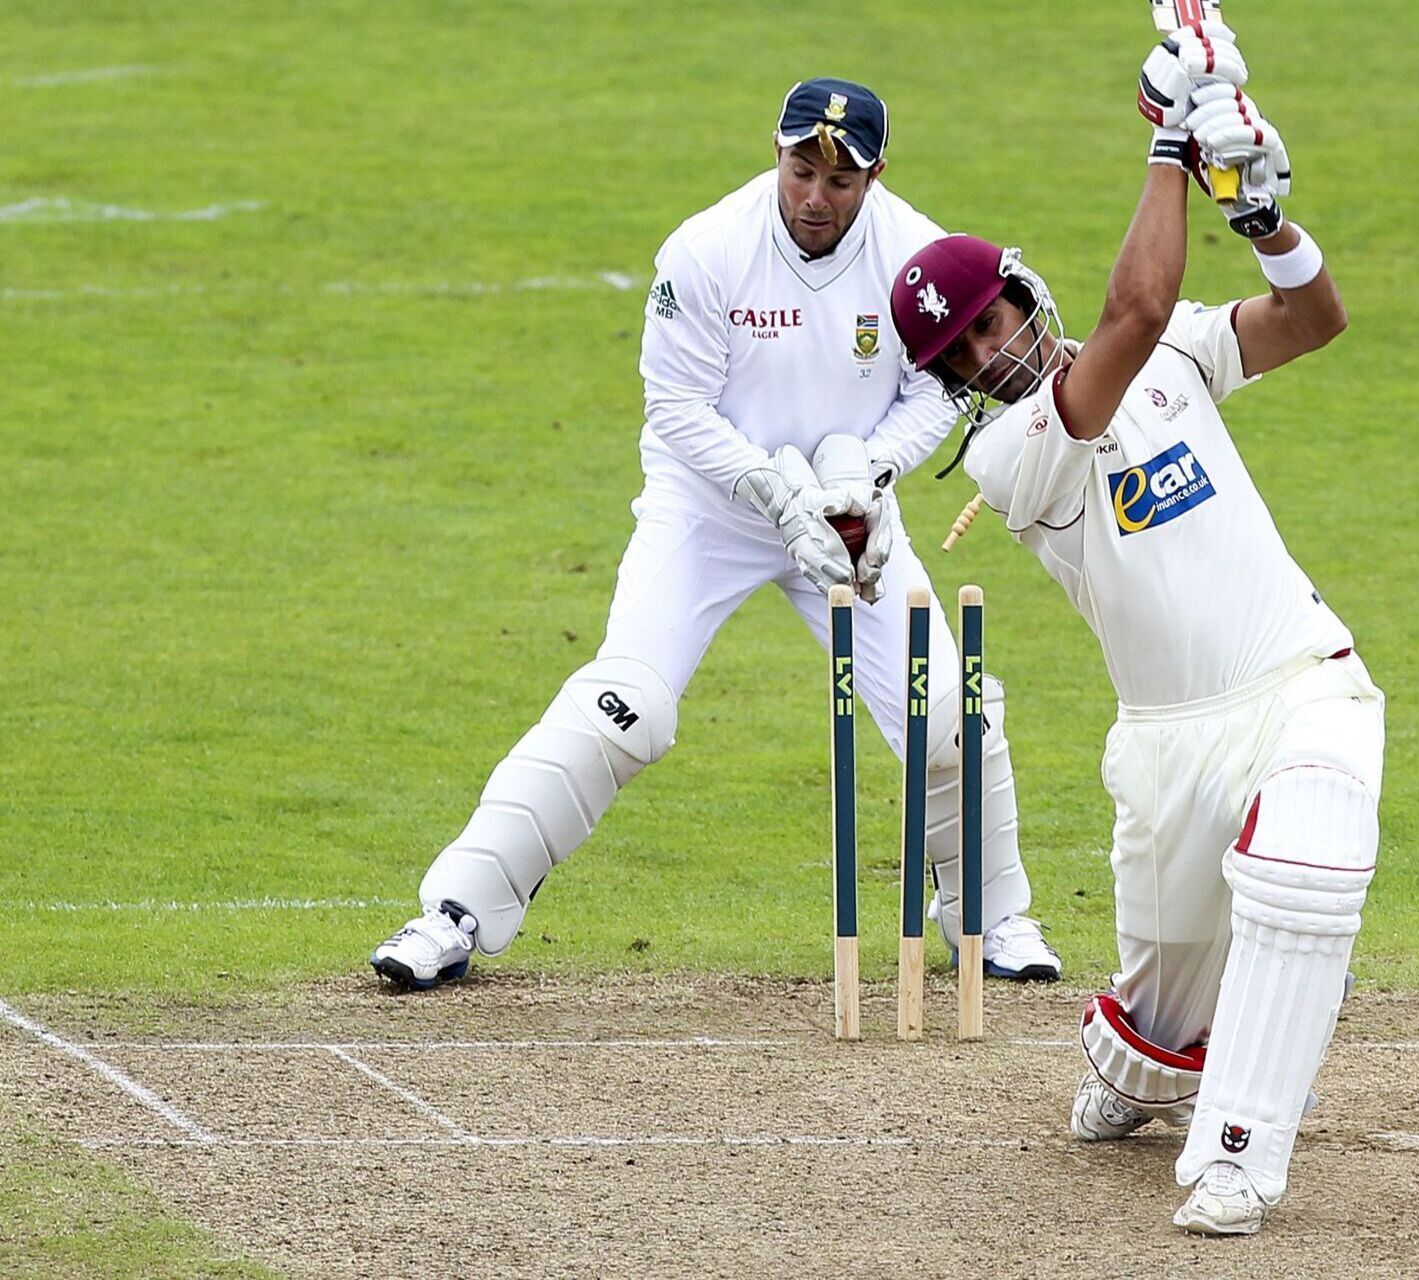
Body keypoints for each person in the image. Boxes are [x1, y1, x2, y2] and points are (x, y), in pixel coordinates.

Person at [372, 78, 1060, 991]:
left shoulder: (916, 256)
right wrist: (775, 492)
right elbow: (678, 407)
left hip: (850, 516)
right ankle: (454, 912)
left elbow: (940, 384)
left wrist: (867, 478)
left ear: (876, 175)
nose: (816, 196)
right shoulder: (706, 250)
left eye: (841, 180)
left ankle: (993, 918)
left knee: (954, 718)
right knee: (626, 708)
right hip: (711, 509)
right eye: (801, 169)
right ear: (776, 152)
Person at [887, 26, 1380, 1235]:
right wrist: (1167, 131)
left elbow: (1313, 318)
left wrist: (1260, 215)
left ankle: (1236, 1156)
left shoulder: (1172, 356)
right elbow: (1138, 301)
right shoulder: (1015, 458)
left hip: (1298, 676)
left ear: (1019, 291)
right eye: (967, 352)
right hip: (1167, 746)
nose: (995, 352)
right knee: (1164, 1002)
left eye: (996, 320)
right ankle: (1137, 1069)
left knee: (1305, 872)